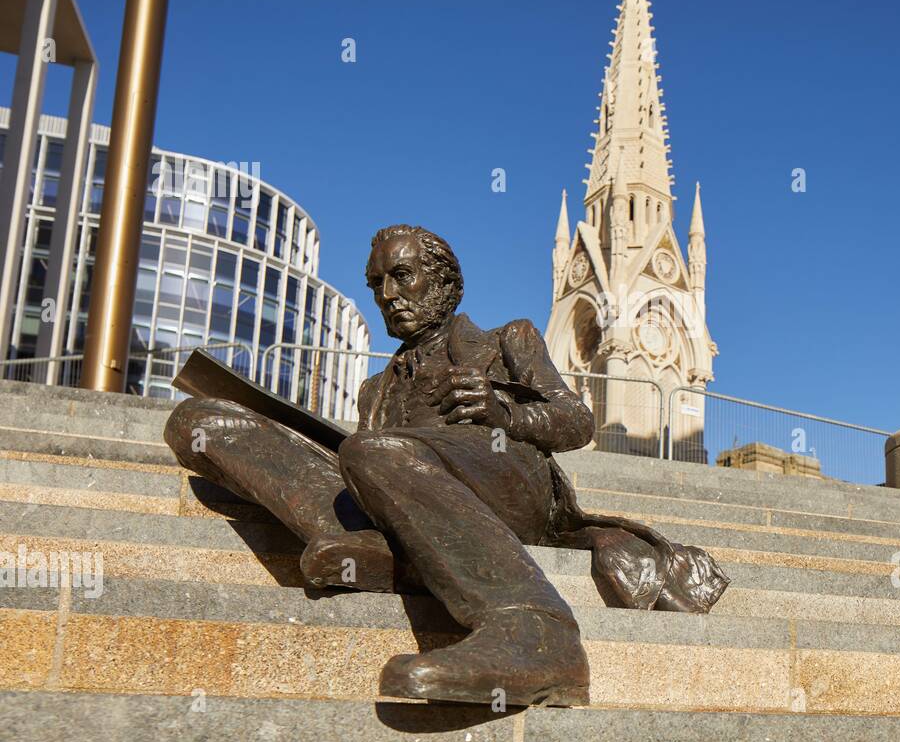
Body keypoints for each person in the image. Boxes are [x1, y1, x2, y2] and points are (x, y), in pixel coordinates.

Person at [164, 224, 728, 706]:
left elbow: (576, 422)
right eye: (376, 284)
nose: (387, 294)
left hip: (508, 487)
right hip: (399, 484)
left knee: (370, 451)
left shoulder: (509, 340)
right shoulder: (373, 390)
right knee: (202, 422)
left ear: (445, 282)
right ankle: (391, 557)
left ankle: (538, 632)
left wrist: (502, 408)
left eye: (401, 276)